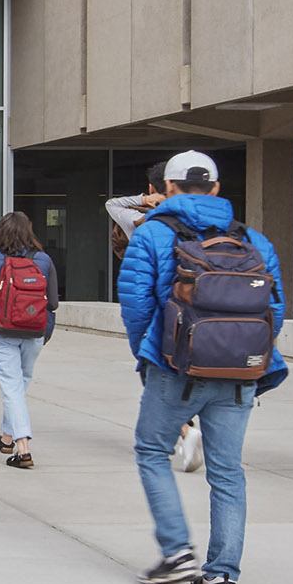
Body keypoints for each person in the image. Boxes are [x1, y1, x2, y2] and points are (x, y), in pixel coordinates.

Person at [117, 150, 286, 584]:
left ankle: (176, 551)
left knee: (152, 451)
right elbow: (276, 310)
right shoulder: (253, 240)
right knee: (227, 471)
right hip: (239, 373)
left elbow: (136, 308)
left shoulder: (152, 234)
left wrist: (150, 358)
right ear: (215, 188)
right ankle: (222, 576)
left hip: (176, 367)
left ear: (166, 189)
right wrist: (242, 355)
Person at [108, 173, 199, 473]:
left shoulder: (142, 226)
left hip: (161, 314)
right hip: (198, 311)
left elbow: (112, 203)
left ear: (154, 190)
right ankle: (186, 428)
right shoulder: (204, 222)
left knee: (156, 375)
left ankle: (185, 430)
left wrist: (144, 201)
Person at [0, 210, 59, 467]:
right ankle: (7, 437)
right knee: (20, 383)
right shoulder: (43, 260)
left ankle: (22, 447)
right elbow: (52, 302)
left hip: (1, 331)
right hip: (34, 332)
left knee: (11, 386)